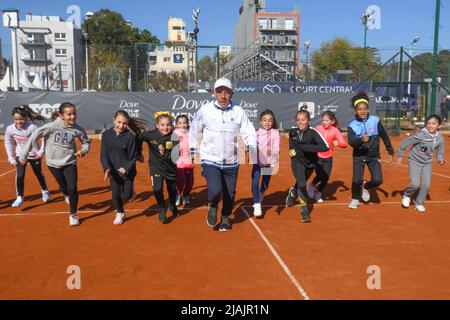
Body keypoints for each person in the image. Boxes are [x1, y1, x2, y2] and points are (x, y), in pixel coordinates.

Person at [189, 77, 257, 232]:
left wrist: (251, 144)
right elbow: (194, 130)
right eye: (220, 92)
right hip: (210, 159)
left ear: (232, 94)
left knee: (230, 192)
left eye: (227, 92)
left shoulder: (238, 111)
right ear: (214, 93)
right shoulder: (204, 110)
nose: (223, 95)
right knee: (215, 190)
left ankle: (226, 217)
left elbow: (248, 130)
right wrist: (192, 150)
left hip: (231, 160)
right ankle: (212, 205)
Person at [19, 102, 91, 226]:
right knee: (64, 188)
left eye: (74, 114)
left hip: (70, 161)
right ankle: (65, 194)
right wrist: (23, 155)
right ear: (61, 116)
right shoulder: (51, 126)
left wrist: (83, 150)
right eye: (69, 114)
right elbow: (34, 137)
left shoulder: (77, 129)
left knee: (73, 188)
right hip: (53, 163)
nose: (73, 117)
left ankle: (73, 215)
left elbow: (86, 142)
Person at [347, 92, 394, 209]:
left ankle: (366, 186)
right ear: (355, 110)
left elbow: (384, 135)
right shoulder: (352, 125)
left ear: (368, 109)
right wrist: (361, 140)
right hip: (358, 156)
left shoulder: (375, 120)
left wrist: (390, 150)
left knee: (378, 180)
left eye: (365, 109)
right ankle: (355, 198)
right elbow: (351, 142)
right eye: (359, 109)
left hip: (373, 156)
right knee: (356, 179)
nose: (362, 111)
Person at [101, 110, 146, 225]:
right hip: (114, 172)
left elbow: (133, 156)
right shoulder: (106, 135)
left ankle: (131, 191)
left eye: (124, 123)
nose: (121, 126)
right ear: (113, 120)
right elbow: (104, 154)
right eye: (119, 122)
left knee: (126, 196)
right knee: (115, 195)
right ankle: (120, 213)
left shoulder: (130, 137)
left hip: (128, 172)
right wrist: (106, 168)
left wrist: (126, 168)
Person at [287, 109, 329, 223]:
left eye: (303, 120)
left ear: (308, 121)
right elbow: (291, 141)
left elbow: (325, 146)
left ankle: (293, 193)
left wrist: (308, 147)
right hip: (297, 161)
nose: (300, 122)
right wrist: (291, 150)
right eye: (298, 120)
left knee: (300, 183)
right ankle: (304, 210)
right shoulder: (293, 131)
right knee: (302, 184)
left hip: (310, 164)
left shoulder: (313, 132)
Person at [396, 115, 445, 213]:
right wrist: (400, 155)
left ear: (439, 126)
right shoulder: (421, 135)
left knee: (426, 185)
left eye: (434, 124)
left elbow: (440, 150)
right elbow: (405, 143)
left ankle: (419, 202)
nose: (430, 125)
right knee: (415, 184)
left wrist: (440, 159)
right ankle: (407, 195)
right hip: (414, 160)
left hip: (427, 163)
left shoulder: (440, 138)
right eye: (429, 123)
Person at [4, 105, 50, 208]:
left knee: (38, 174)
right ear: (13, 118)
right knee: (20, 176)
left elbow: (43, 139)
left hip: (34, 155)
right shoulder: (10, 129)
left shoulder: (32, 127)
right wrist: (11, 157)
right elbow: (8, 143)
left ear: (26, 118)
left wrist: (40, 152)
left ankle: (45, 191)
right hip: (21, 155)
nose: (19, 122)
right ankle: (20, 197)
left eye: (21, 119)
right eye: (16, 119)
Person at [138, 112, 180, 223]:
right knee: (157, 189)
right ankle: (162, 208)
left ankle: (172, 206)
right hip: (155, 167)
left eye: (168, 125)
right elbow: (139, 137)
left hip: (171, 169)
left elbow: (175, 158)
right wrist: (138, 152)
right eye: (162, 125)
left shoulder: (174, 137)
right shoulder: (151, 135)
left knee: (172, 191)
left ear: (171, 125)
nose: (165, 127)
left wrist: (164, 152)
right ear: (157, 125)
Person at [307, 110, 347, 203]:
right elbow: (310, 138)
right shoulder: (317, 128)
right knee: (320, 175)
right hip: (318, 156)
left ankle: (319, 193)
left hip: (328, 157)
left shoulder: (335, 130)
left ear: (332, 121)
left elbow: (344, 143)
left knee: (326, 178)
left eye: (326, 120)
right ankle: (312, 185)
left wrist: (337, 143)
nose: (324, 122)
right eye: (323, 120)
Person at [252, 109, 280, 218]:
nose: (267, 123)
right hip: (257, 163)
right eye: (264, 120)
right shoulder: (256, 133)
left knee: (264, 185)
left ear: (273, 122)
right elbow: (251, 145)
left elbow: (276, 148)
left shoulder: (275, 134)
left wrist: (272, 153)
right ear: (260, 122)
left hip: (269, 163)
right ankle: (257, 203)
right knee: (254, 183)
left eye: (269, 121)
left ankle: (261, 193)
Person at [174, 115, 194, 206]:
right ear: (177, 125)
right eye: (180, 123)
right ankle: (178, 194)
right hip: (178, 162)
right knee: (181, 180)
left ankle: (186, 195)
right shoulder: (174, 133)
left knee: (190, 181)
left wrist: (194, 156)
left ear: (187, 123)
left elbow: (195, 145)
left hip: (189, 161)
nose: (183, 125)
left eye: (184, 123)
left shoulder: (191, 133)